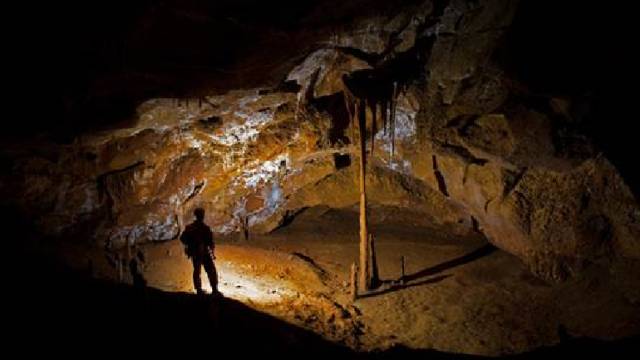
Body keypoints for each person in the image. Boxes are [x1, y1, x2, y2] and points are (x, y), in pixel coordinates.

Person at [180, 208, 219, 296]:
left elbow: (183, 239)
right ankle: (213, 290)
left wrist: (190, 245)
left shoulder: (191, 228)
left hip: (196, 252)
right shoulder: (204, 228)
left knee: (198, 271)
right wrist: (212, 251)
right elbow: (210, 242)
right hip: (202, 252)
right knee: (210, 270)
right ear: (202, 215)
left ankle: (200, 290)